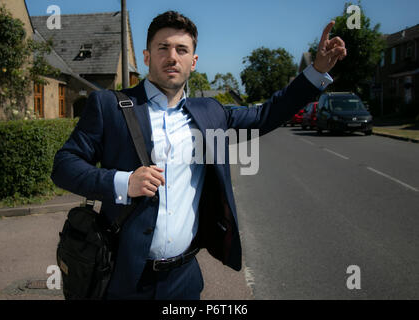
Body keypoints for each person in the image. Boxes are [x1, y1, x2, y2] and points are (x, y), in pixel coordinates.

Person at [51, 10, 346, 300]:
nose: (172, 56)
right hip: (123, 277)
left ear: (193, 61)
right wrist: (123, 182)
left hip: (184, 280)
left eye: (182, 49)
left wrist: (316, 72)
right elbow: (64, 165)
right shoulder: (109, 105)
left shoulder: (211, 113)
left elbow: (267, 114)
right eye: (162, 48)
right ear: (146, 57)